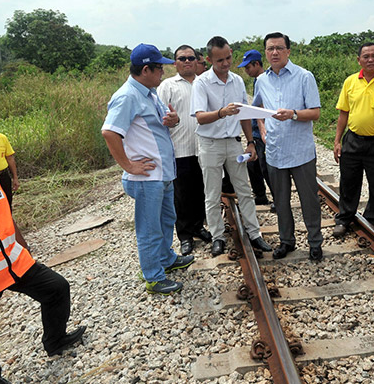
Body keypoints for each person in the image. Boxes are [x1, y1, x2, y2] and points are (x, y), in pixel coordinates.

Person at [0, 136, 86, 384]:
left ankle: (55, 341)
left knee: (57, 288)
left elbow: (6, 216)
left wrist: (23, 246)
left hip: (15, 263)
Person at [101, 43, 194, 295]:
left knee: (166, 220)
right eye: (159, 68)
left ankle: (166, 259)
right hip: (146, 177)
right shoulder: (127, 96)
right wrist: (128, 165)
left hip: (162, 173)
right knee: (149, 228)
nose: (163, 73)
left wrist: (172, 120)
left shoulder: (149, 93)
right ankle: (153, 276)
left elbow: (164, 121)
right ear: (145, 69)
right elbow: (109, 132)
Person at [190, 36, 272, 257]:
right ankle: (218, 236)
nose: (225, 64)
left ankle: (255, 234)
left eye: (228, 58)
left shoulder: (237, 81)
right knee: (212, 192)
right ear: (209, 60)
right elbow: (199, 117)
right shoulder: (201, 83)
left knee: (244, 190)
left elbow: (244, 115)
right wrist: (221, 113)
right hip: (210, 144)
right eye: (220, 61)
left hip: (234, 143)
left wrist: (251, 142)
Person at [253, 32, 323, 261]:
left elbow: (316, 113)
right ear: (265, 52)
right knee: (281, 201)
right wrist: (261, 128)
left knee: (309, 199)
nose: (274, 52)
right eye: (270, 48)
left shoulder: (304, 76)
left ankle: (315, 242)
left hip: (300, 151)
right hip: (275, 151)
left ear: (288, 51)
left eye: (279, 48)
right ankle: (286, 241)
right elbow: (256, 109)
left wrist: (293, 114)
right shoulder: (261, 80)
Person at [332, 43, 374, 237]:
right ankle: (344, 218)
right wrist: (337, 141)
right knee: (349, 182)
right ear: (358, 60)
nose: (370, 59)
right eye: (366, 56)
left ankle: (372, 219)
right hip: (352, 139)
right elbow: (343, 113)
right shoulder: (350, 82)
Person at [157, 44, 212, 256]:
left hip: (204, 147)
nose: (187, 62)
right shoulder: (168, 86)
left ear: (198, 61)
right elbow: (159, 116)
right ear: (175, 63)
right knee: (181, 195)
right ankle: (185, 236)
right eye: (182, 59)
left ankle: (199, 227)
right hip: (180, 149)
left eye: (191, 58)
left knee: (201, 191)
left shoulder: (204, 83)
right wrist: (169, 120)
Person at [237, 49, 274, 208]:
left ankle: (277, 199)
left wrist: (262, 129)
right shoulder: (258, 79)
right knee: (253, 165)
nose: (246, 70)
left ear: (257, 64)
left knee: (265, 167)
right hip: (256, 132)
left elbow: (261, 105)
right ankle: (260, 196)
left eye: (248, 67)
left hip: (261, 132)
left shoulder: (264, 80)